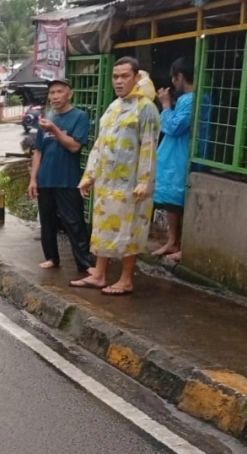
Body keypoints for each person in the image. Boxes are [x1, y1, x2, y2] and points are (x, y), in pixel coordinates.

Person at [71, 57, 161, 295]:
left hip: (131, 185)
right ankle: (99, 275)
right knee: (103, 227)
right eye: (115, 76)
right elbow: (100, 144)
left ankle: (126, 279)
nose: (119, 81)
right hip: (106, 182)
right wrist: (90, 174)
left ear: (136, 77)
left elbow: (149, 147)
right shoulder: (114, 107)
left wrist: (144, 181)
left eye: (124, 76)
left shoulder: (146, 108)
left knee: (129, 230)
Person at [28, 78, 93, 275]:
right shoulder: (46, 118)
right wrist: (33, 179)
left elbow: (74, 146)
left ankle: (85, 263)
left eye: (59, 92)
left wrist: (54, 130)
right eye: (52, 93)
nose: (55, 96)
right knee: (47, 222)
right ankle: (51, 257)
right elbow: (38, 151)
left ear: (69, 94)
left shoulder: (79, 117)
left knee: (74, 222)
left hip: (68, 178)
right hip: (46, 178)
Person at [151, 57, 195, 261]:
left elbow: (174, 127)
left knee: (178, 198)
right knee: (172, 199)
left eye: (174, 78)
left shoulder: (189, 100)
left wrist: (166, 105)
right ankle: (172, 241)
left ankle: (179, 243)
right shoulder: (194, 98)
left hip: (180, 154)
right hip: (177, 154)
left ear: (179, 76)